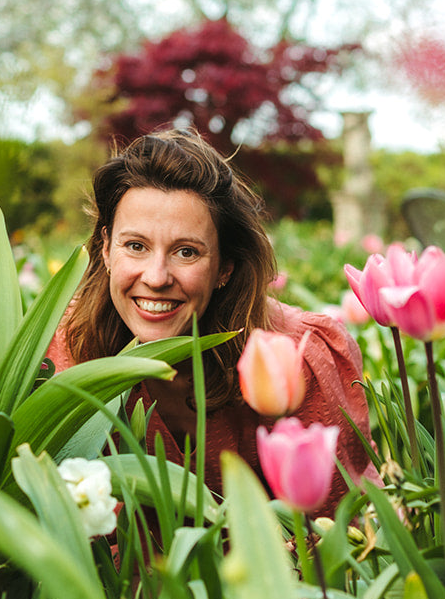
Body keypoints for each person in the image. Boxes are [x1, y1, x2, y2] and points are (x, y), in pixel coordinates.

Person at [46, 129, 376, 507]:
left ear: (225, 268)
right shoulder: (71, 345)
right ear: (105, 249)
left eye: (186, 252)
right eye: (135, 246)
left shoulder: (297, 355)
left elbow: (345, 530)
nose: (156, 277)